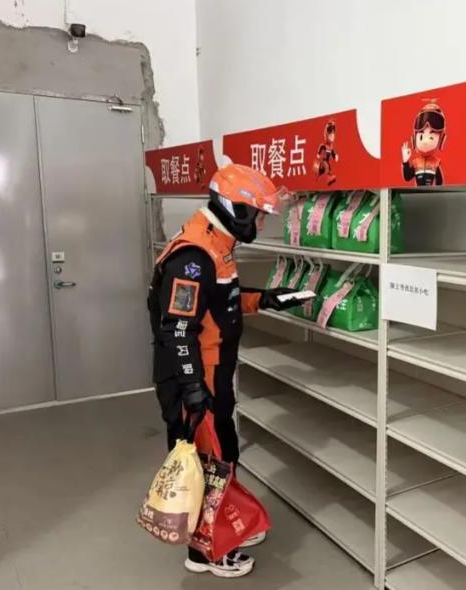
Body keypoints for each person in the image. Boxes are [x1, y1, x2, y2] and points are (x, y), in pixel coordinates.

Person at [148, 164, 304, 578]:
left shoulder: (217, 244)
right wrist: (193, 389)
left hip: (213, 373)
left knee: (222, 454)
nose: (262, 224)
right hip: (196, 379)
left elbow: (220, 303)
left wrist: (266, 299)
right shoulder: (193, 257)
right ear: (237, 209)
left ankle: (224, 525)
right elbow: (177, 330)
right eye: (259, 215)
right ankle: (206, 553)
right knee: (206, 463)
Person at [401, 100, 446, 186]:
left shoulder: (436, 162)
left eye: (431, 137)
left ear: (442, 140)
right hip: (417, 193)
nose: (425, 141)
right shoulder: (416, 162)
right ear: (414, 139)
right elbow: (407, 177)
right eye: (421, 136)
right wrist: (405, 161)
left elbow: (440, 182)